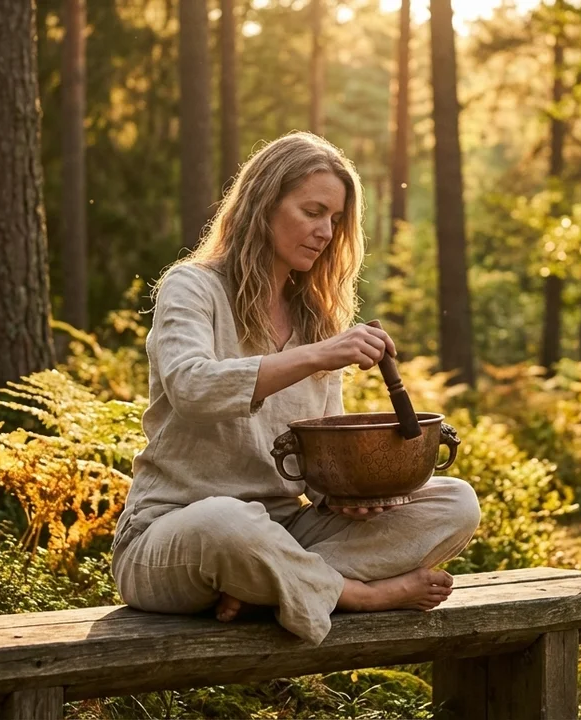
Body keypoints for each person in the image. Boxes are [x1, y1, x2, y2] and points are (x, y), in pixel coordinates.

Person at [111, 132, 481, 645]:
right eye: (313, 211)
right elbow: (191, 388)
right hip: (175, 534)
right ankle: (354, 593)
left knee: (455, 502)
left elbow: (313, 465)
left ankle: (266, 584)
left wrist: (346, 496)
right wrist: (318, 355)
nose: (326, 232)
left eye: (335, 220)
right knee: (227, 520)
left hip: (284, 530)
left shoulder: (315, 318)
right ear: (263, 204)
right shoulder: (192, 286)